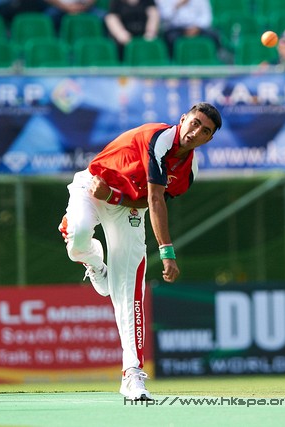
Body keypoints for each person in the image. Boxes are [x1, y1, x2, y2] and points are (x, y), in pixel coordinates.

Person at [58, 102, 222, 401]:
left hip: (124, 206)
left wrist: (115, 197)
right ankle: (95, 263)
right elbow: (155, 198)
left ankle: (132, 373)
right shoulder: (159, 139)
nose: (196, 131)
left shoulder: (189, 170)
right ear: (183, 119)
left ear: (209, 139)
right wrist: (167, 252)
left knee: (130, 291)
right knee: (78, 236)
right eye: (195, 123)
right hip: (93, 186)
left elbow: (149, 201)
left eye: (205, 131)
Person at [156, 0, 220, 58]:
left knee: (214, 35)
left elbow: (206, 16)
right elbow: (165, 17)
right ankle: (173, 61)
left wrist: (197, 27)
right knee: (169, 37)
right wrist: (177, 6)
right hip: (177, 28)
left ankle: (215, 58)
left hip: (198, 28)